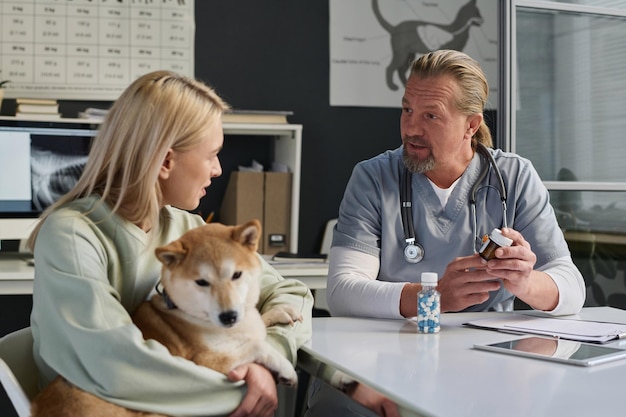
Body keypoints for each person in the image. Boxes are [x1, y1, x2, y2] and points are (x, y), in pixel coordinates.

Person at [305, 49, 586, 417]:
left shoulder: (515, 177)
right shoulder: (374, 178)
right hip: (381, 358)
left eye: (430, 116)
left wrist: (525, 282)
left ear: (471, 125)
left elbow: (571, 286)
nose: (411, 128)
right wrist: (433, 297)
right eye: (407, 110)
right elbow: (342, 291)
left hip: (484, 363)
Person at [27, 70, 314, 417]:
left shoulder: (188, 231)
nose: (218, 169)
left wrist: (267, 356)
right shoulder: (71, 235)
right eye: (212, 154)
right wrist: (243, 388)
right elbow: (113, 362)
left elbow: (293, 294)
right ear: (166, 161)